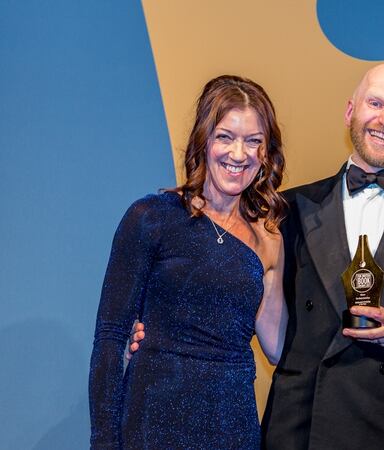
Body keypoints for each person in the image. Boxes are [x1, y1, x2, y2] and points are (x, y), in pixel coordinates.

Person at [128, 63, 384, 449]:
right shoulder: (286, 211)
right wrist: (158, 327)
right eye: (376, 103)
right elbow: (235, 290)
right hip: (302, 426)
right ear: (350, 111)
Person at [89, 75, 289, 449]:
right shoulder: (152, 217)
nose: (238, 153)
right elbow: (111, 338)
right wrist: (104, 441)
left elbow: (277, 348)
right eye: (225, 136)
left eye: (254, 141)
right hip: (152, 418)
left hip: (232, 424)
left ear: (266, 152)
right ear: (204, 140)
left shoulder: (270, 237)